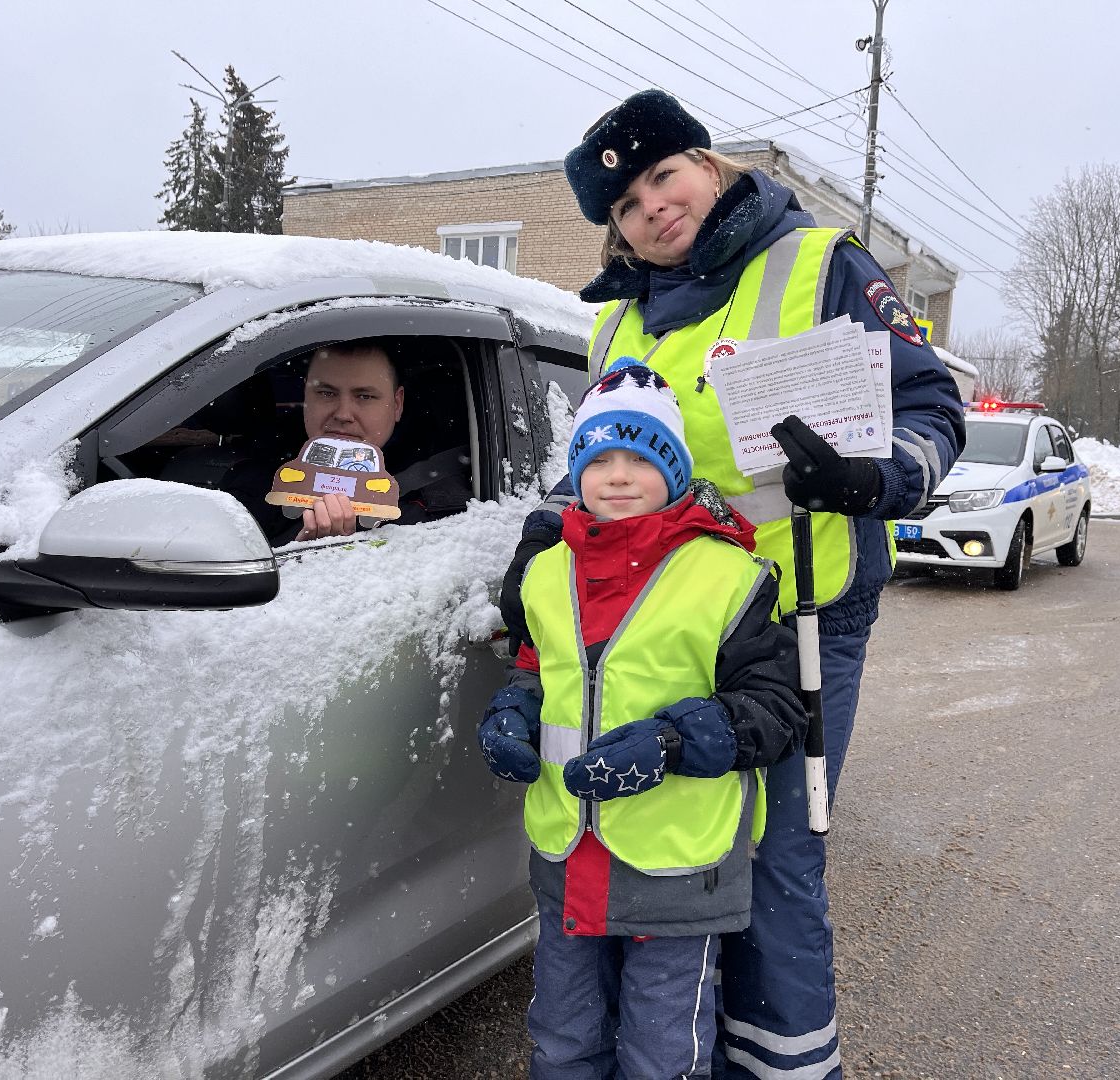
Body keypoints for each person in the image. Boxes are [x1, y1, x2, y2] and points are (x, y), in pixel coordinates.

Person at [498, 90, 966, 1079]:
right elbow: (601, 465)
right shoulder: (618, 323)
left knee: (775, 862)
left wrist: (872, 480)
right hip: (655, 628)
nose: (653, 209)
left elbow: (928, 403)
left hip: (799, 620)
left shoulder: (817, 265)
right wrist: (542, 545)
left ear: (707, 165)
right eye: (625, 205)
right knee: (674, 859)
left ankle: (787, 1067)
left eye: (663, 178)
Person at [480, 358, 807, 1078]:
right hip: (570, 854)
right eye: (599, 459)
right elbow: (539, 665)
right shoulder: (543, 571)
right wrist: (515, 709)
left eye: (641, 457)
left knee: (663, 1049)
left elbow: (774, 707)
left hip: (677, 863)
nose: (619, 476)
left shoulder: (729, 577)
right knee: (563, 1035)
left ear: (676, 469)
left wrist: (671, 742)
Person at [290, 338, 470, 541]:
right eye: (326, 393)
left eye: (364, 396)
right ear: (306, 395)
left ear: (397, 405)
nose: (343, 414)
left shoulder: (437, 518)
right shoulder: (260, 477)